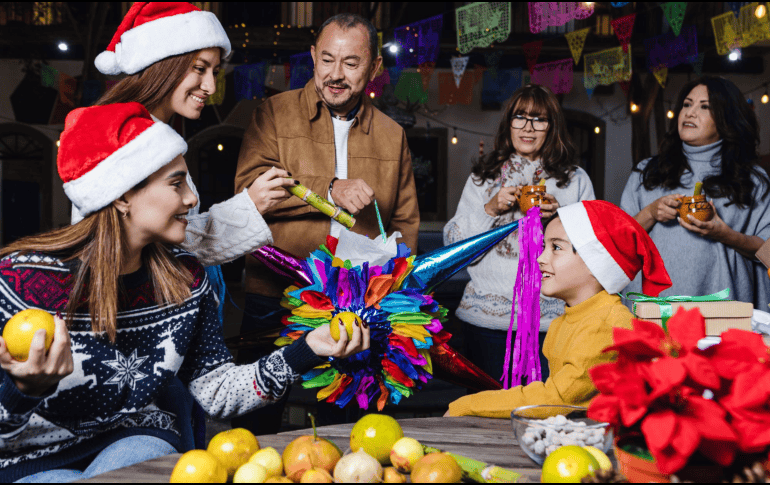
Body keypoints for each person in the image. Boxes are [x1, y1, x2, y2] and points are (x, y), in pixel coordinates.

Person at [0, 103, 369, 483]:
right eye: (176, 184)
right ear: (123, 196)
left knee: (146, 454)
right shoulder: (20, 280)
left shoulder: (185, 278)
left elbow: (217, 390)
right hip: (31, 459)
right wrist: (22, 391)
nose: (192, 198)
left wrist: (308, 349)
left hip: (136, 440)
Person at [233, 13, 419, 429]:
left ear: (374, 67)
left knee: (346, 420)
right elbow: (247, 188)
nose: (336, 74)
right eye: (327, 60)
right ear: (313, 56)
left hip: (359, 304)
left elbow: (405, 221)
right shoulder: (273, 114)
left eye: (351, 63)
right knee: (257, 414)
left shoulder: (393, 134)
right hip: (276, 293)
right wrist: (329, 190)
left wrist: (395, 295)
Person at [88, 1, 296, 267]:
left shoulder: (156, 132)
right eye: (199, 68)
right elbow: (142, 251)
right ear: (163, 63)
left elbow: (167, 240)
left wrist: (250, 205)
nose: (210, 86)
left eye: (215, 72)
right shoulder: (123, 139)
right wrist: (248, 206)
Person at [446, 201, 672, 417]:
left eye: (556, 247)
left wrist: (469, 405)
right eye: (544, 246)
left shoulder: (604, 325)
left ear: (596, 262)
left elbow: (555, 399)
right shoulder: (564, 321)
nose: (540, 258)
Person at [443, 84, 595, 384]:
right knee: (484, 408)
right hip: (486, 323)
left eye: (539, 119)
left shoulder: (574, 179)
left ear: (552, 126)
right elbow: (453, 247)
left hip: (552, 324)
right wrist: (489, 209)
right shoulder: (483, 177)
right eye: (520, 116)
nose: (528, 127)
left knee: (546, 407)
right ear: (508, 122)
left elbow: (592, 252)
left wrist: (561, 216)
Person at [620, 76, 770, 309]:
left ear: (727, 118)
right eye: (687, 104)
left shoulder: (751, 179)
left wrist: (725, 234)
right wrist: (650, 213)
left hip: (724, 310)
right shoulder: (647, 172)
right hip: (655, 310)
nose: (690, 113)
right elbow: (617, 243)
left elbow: (767, 251)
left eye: (704, 107)